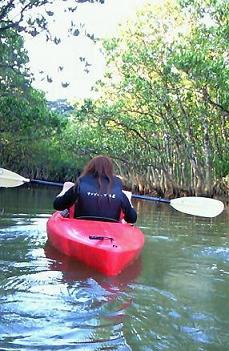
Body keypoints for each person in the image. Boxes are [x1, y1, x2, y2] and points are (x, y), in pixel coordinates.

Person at [53, 155, 137, 223]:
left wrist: (65, 189)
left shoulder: (81, 184)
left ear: (90, 167)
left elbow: (57, 205)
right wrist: (128, 200)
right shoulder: (118, 190)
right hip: (110, 231)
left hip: (81, 228)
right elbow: (132, 219)